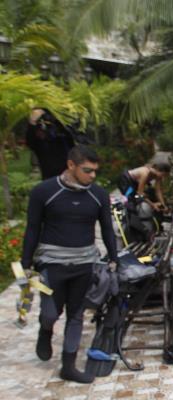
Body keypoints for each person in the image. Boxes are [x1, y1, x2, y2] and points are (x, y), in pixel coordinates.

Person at [21, 145, 117, 384]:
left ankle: (69, 366)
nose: (92, 176)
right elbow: (33, 228)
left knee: (76, 315)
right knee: (50, 313)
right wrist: (26, 262)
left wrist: (114, 258)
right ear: (71, 165)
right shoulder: (44, 191)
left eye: (95, 171)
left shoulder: (98, 194)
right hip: (52, 265)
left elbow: (106, 228)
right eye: (87, 170)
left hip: (84, 264)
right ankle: (45, 331)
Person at [25, 108, 75, 180]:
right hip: (50, 175)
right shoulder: (39, 140)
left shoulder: (64, 134)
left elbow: (71, 135)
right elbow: (30, 142)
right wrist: (32, 122)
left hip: (69, 173)